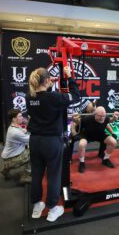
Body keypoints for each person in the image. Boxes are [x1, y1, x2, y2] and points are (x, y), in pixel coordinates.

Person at [26, 66, 79, 222]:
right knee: (54, 174)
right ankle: (52, 208)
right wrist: (69, 77)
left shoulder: (30, 96)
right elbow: (75, 96)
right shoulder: (53, 97)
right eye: (49, 79)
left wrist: (52, 83)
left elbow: (44, 99)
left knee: (36, 174)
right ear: (47, 80)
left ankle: (37, 206)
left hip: (35, 141)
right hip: (51, 142)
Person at [78, 106, 118, 173]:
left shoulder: (105, 118)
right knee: (81, 144)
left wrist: (114, 118)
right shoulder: (87, 119)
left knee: (113, 142)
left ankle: (105, 159)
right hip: (88, 135)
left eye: (103, 116)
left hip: (100, 134)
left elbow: (110, 120)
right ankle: (81, 163)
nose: (102, 118)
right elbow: (77, 122)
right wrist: (74, 119)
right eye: (100, 116)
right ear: (95, 114)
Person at [1, 109, 31, 184]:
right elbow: (30, 139)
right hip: (11, 158)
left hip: (8, 156)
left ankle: (6, 168)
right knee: (33, 152)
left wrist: (27, 125)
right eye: (20, 116)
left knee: (27, 149)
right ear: (14, 119)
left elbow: (24, 131)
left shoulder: (13, 126)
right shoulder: (15, 132)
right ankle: (25, 176)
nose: (22, 118)